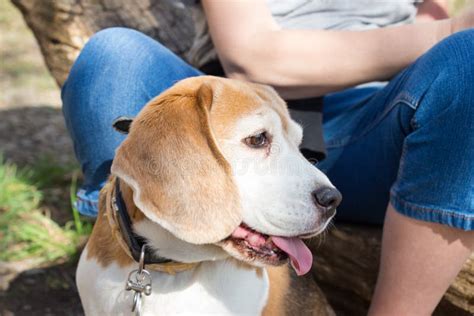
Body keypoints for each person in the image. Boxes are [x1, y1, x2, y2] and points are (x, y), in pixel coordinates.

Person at [61, 1, 474, 314]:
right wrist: (451, 30)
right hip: (232, 105)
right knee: (113, 54)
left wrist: (451, 40)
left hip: (380, 121)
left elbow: (432, 29)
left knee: (467, 60)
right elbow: (251, 55)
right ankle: (131, 263)